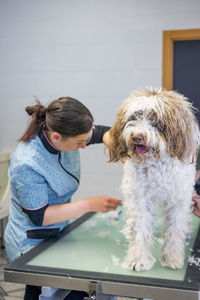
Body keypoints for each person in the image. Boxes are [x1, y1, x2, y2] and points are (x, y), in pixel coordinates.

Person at [4, 96, 122, 300]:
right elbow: (40, 217)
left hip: (58, 231)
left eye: (85, 139)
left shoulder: (67, 132)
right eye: (79, 142)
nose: (84, 145)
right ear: (57, 137)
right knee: (44, 289)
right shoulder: (27, 164)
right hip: (31, 241)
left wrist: (122, 149)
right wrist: (90, 204)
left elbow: (102, 133)